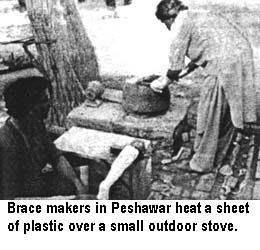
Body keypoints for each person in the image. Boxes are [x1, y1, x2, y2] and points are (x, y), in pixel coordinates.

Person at [150, 0, 257, 173]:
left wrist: (161, 82)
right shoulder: (198, 14)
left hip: (224, 64)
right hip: (240, 57)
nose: (167, 27)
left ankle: (201, 163)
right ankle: (219, 155)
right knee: (228, 111)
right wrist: (182, 73)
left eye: (165, 24)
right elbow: (203, 51)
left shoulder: (180, 24)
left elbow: (175, 62)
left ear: (168, 18)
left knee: (209, 114)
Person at [0, 76, 86, 199]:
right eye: (44, 101)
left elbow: (56, 157)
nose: (49, 105)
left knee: (73, 181)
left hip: (35, 183)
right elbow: (8, 198)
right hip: (18, 198)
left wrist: (78, 185)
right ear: (28, 108)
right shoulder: (6, 144)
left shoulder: (36, 125)